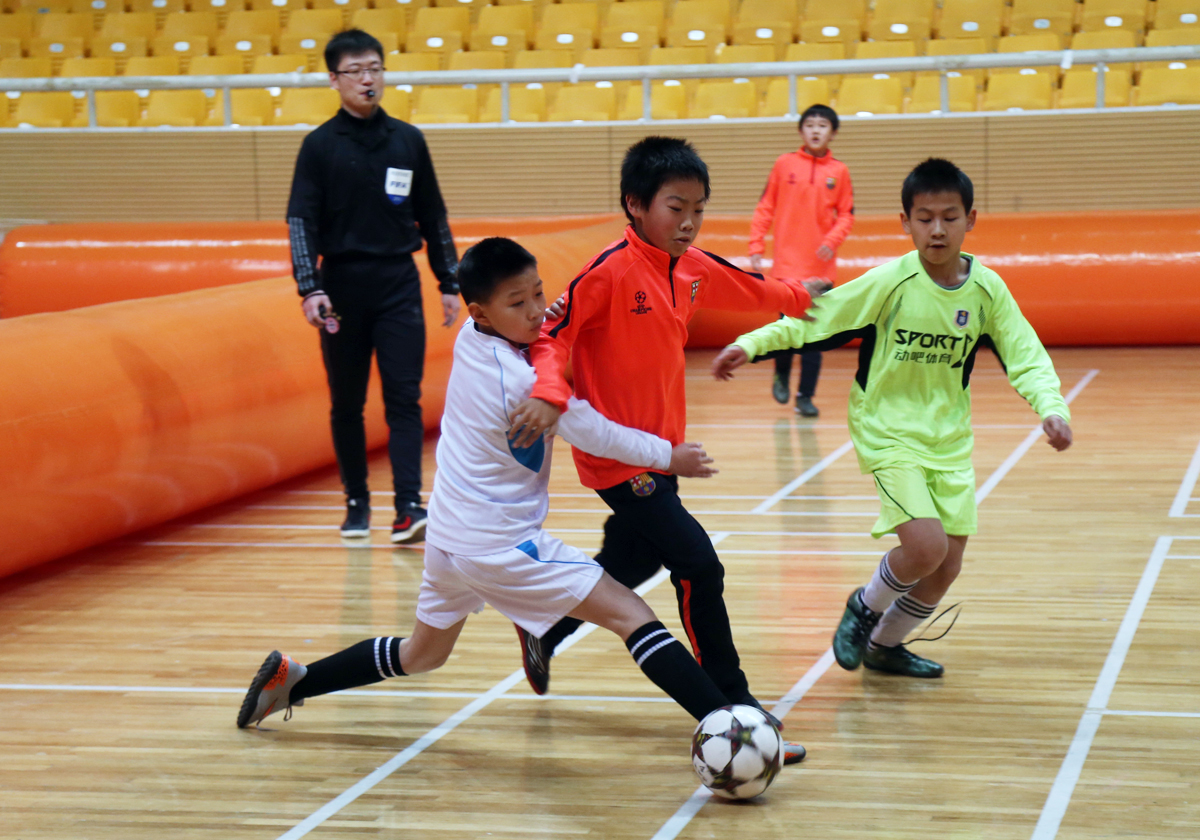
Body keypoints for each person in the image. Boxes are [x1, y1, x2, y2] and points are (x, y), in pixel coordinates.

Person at [237, 237, 804, 765]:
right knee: (633, 615)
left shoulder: (471, 339)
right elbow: (595, 431)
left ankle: (295, 679)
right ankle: (734, 731)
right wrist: (668, 456)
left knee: (422, 654)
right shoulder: (517, 380)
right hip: (500, 544)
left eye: (538, 293)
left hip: (450, 539)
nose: (538, 312)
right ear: (482, 311)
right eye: (518, 303)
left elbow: (553, 363)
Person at [713, 158, 1074, 679]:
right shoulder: (891, 281)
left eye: (949, 217)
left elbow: (1027, 355)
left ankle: (884, 647)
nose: (937, 229)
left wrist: (1052, 408)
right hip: (886, 429)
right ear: (905, 222)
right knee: (923, 547)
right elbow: (818, 318)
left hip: (948, 437)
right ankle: (863, 606)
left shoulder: (988, 290)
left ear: (970, 219)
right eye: (924, 217)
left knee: (945, 566)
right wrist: (752, 343)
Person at [508, 137, 824, 726]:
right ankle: (735, 705)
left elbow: (754, 287)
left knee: (630, 563)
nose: (689, 222)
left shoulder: (691, 268)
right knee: (699, 566)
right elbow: (550, 337)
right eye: (675, 207)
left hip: (662, 456)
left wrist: (805, 299)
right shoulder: (607, 271)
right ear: (636, 204)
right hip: (618, 459)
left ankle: (543, 631)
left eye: (699, 209)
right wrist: (552, 393)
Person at [287, 29, 460, 545]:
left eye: (376, 68)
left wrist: (449, 280)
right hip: (341, 287)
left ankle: (408, 506)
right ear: (335, 79)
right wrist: (309, 287)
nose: (368, 79)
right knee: (346, 401)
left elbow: (433, 215)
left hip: (398, 285)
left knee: (404, 398)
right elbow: (301, 222)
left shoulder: (408, 140)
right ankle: (356, 501)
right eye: (356, 70)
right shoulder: (319, 147)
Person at [749, 104, 855, 418]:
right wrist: (756, 244)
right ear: (801, 130)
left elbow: (847, 215)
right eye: (810, 124)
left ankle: (805, 396)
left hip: (820, 270)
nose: (816, 130)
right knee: (786, 330)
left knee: (814, 335)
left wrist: (831, 240)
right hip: (786, 268)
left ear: (832, 132)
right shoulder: (784, 164)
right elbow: (765, 206)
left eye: (823, 125)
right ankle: (781, 372)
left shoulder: (840, 171)